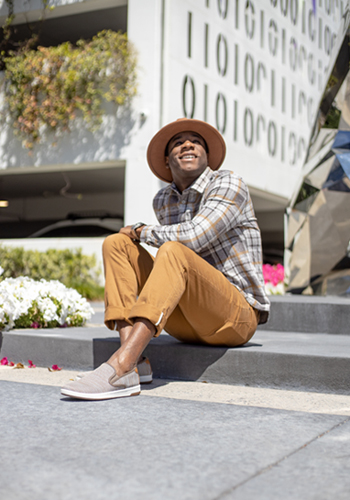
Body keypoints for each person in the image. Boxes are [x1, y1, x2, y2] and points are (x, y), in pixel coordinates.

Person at [61, 118, 270, 400]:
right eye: (177, 142)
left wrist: (142, 231)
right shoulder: (163, 200)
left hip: (236, 318)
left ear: (207, 157)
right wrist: (136, 235)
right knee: (117, 243)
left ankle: (120, 365)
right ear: (166, 159)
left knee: (172, 250)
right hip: (188, 319)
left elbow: (195, 236)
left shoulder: (229, 183)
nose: (187, 144)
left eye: (195, 141)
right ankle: (135, 364)